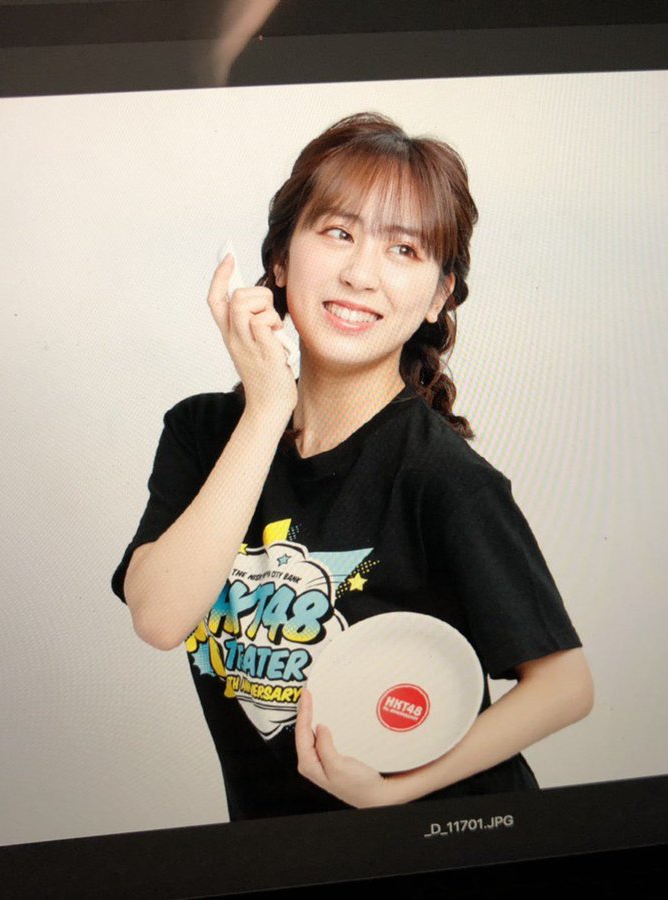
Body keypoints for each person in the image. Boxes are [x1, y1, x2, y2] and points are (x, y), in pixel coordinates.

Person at [112, 112, 593, 821]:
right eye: (338, 233)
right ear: (280, 260)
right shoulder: (204, 433)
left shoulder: (441, 476)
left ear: (438, 296)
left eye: (404, 249)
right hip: (284, 854)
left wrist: (396, 791)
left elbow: (565, 685)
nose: (361, 274)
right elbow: (159, 618)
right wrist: (267, 408)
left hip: (439, 844)